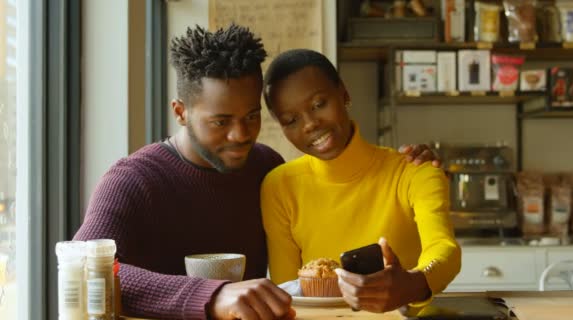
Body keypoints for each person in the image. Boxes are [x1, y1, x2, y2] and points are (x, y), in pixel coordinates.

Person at [73, 25, 440, 320]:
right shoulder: (134, 179)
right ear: (180, 112)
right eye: (220, 122)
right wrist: (213, 296)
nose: (241, 135)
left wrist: (407, 163)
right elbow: (85, 267)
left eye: (251, 116)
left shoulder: (266, 167)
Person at [260, 49, 461, 315]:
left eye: (319, 104)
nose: (309, 124)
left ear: (344, 93)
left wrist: (414, 284)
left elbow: (444, 249)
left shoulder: (415, 171)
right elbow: (289, 293)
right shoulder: (279, 187)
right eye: (291, 120)